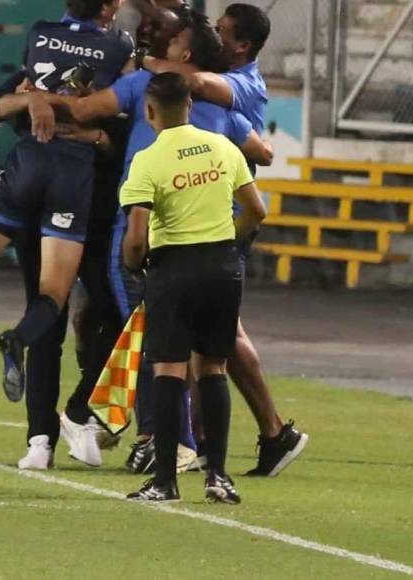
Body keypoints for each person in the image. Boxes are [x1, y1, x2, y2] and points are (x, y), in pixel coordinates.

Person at [26, 6, 271, 472]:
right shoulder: (225, 123)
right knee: (203, 357)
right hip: (213, 244)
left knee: (153, 341)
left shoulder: (152, 120)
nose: (165, 42)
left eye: (175, 41)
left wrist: (36, 97)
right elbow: (264, 154)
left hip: (162, 245)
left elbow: (82, 107)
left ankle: (157, 437)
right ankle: (201, 456)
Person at [0, 0, 132, 468]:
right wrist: (55, 110)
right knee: (71, 312)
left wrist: (40, 99)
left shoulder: (40, 34)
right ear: (112, 7)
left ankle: (59, 427)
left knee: (89, 318)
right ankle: (60, 425)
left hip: (45, 182)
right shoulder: (121, 54)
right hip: (82, 203)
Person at [143, 3, 308, 477]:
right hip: (201, 217)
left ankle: (270, 432)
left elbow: (191, 84)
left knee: (220, 336)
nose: (215, 37)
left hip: (219, 220)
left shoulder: (240, 84)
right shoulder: (222, 82)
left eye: (222, 31)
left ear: (241, 45)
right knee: (210, 338)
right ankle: (211, 439)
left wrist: (146, 65)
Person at [122, 72, 267, 503]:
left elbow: (135, 235)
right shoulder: (224, 147)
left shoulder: (148, 159)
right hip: (222, 267)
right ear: (189, 105)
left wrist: (135, 265)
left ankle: (165, 481)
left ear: (149, 111)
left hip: (174, 268)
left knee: (168, 370)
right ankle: (217, 476)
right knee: (213, 368)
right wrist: (227, 240)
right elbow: (256, 210)